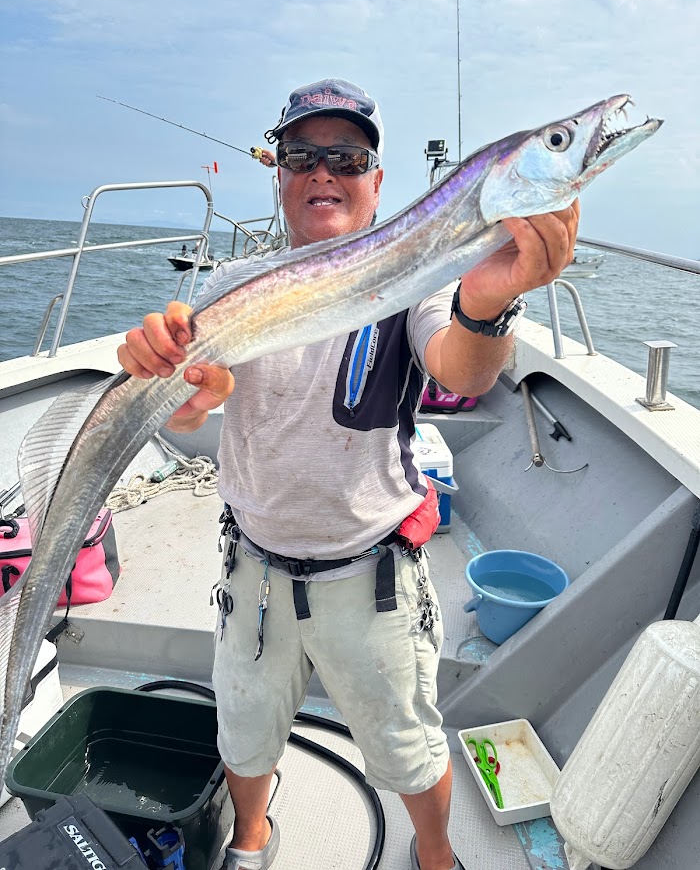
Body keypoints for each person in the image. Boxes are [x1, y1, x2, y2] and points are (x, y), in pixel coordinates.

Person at [118, 78, 579, 870]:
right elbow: (189, 410)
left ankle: (434, 851)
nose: (323, 171)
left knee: (406, 743)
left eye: (346, 156)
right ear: (279, 172)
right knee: (245, 726)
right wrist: (170, 388)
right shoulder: (231, 287)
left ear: (377, 180)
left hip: (370, 576)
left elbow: (461, 369)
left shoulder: (420, 281)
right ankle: (252, 838)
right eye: (302, 153)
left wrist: (490, 305)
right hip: (253, 566)